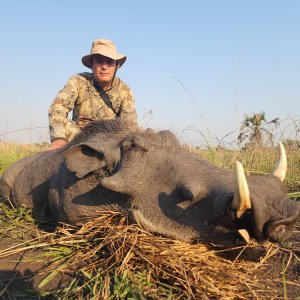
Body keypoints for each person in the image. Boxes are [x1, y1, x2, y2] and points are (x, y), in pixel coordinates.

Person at [48, 39, 137, 150]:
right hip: (78, 138)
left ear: (117, 66)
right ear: (91, 64)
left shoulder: (125, 91)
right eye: (99, 61)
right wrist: (59, 138)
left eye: (110, 62)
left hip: (108, 143)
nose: (104, 67)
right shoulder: (77, 81)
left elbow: (129, 125)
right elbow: (58, 108)